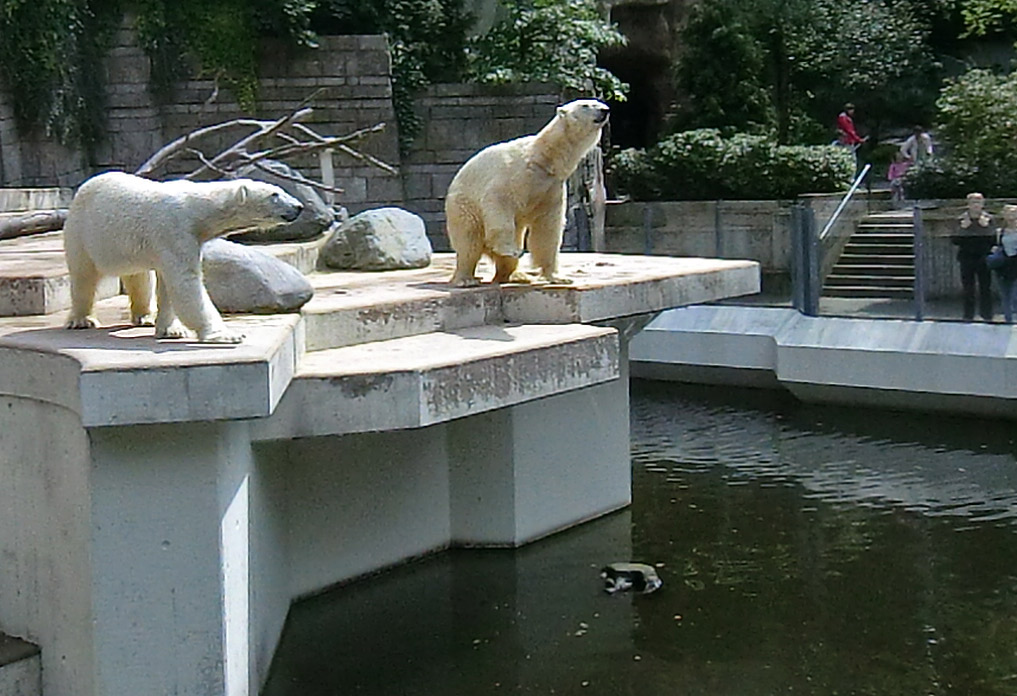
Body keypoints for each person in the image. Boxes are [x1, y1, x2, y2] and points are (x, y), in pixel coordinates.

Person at [951, 192, 995, 322]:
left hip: (984, 256)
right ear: (968, 204)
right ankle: (968, 315)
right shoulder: (960, 219)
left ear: (983, 204)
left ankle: (987, 315)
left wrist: (986, 227)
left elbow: (994, 240)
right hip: (966, 256)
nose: (976, 205)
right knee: (968, 288)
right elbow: (954, 240)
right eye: (973, 202)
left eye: (979, 202)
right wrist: (963, 229)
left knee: (985, 287)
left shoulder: (989, 218)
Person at [993, 204, 1017, 323]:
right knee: (1005, 294)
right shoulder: (1000, 231)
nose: (1011, 215)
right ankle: (1008, 320)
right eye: (1008, 212)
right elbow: (997, 246)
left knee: (1015, 294)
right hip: (1004, 265)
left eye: (1014, 212)